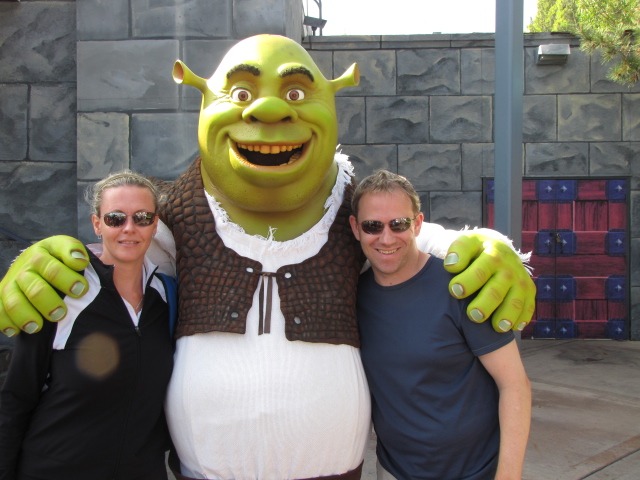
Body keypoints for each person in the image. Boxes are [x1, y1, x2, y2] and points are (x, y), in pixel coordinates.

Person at [0, 35, 535, 479]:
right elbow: (117, 247)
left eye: (298, 93)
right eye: (239, 92)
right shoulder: (172, 216)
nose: (270, 110)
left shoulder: (356, 214)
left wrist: (489, 246)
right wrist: (48, 255)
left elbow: (409, 236)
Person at [350, 170, 532, 480]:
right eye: (372, 226)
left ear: (418, 224)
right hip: (395, 471)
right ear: (356, 228)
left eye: (399, 224)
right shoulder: (355, 297)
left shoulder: (461, 287)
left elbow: (514, 385)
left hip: (477, 472)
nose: (386, 237)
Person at [0, 171, 175, 480]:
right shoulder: (64, 295)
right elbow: (17, 396)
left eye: (143, 217)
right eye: (115, 218)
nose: (129, 229)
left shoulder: (167, 299)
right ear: (97, 224)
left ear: (155, 224)